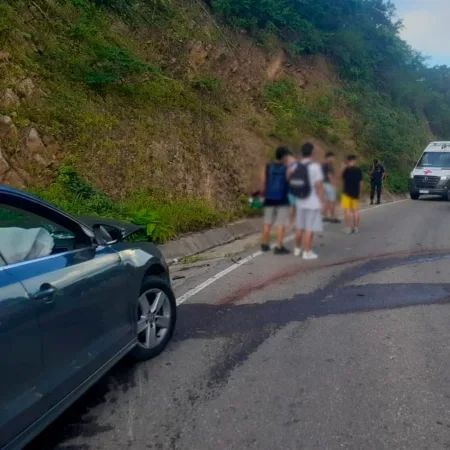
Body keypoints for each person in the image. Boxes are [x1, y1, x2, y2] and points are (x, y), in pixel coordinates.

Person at [288, 142, 324, 260]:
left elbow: (289, 177)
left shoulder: (295, 165)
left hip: (299, 201)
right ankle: (307, 252)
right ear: (312, 152)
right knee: (309, 228)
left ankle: (297, 249)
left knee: (299, 227)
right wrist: (322, 201)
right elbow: (318, 186)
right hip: (312, 202)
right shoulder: (315, 167)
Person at [260, 146, 291, 254]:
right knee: (280, 223)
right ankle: (279, 247)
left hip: (269, 198)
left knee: (267, 222)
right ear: (284, 157)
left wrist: (265, 193)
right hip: (282, 199)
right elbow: (289, 181)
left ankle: (265, 244)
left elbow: (263, 182)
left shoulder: (268, 166)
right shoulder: (287, 168)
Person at [341, 155, 363, 234]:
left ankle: (347, 228)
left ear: (348, 161)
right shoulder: (358, 170)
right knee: (355, 211)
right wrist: (360, 192)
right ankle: (356, 228)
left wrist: (343, 167)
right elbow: (361, 182)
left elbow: (341, 178)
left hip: (347, 193)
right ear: (354, 161)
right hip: (355, 193)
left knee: (347, 210)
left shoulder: (346, 169)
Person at [322, 151, 340, 223]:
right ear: (328, 157)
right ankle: (333, 217)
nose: (333, 159)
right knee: (332, 201)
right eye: (332, 158)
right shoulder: (329, 165)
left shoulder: (323, 165)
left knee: (326, 201)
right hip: (328, 185)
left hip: (323, 184)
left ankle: (325, 216)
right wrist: (334, 185)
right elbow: (330, 175)